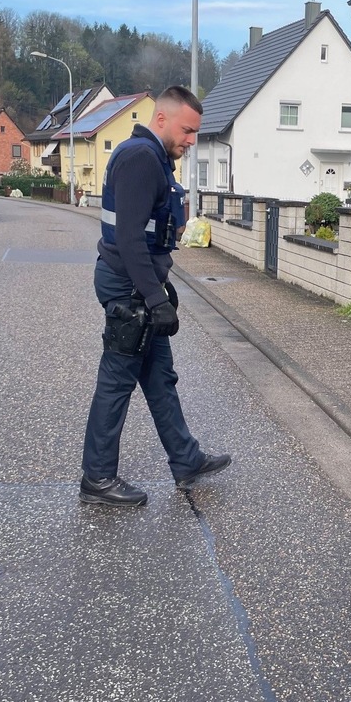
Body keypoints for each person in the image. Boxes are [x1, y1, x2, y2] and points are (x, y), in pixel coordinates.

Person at [79, 86, 231, 507]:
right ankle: (97, 479)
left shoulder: (152, 157)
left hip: (139, 286)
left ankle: (186, 459)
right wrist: (154, 296)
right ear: (161, 119)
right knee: (116, 382)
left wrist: (159, 288)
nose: (191, 140)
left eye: (195, 133)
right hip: (128, 287)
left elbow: (146, 236)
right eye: (187, 130)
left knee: (160, 378)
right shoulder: (141, 158)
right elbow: (129, 238)